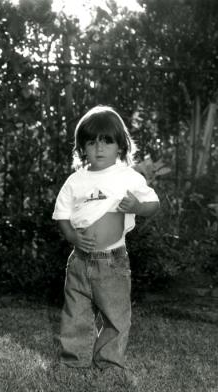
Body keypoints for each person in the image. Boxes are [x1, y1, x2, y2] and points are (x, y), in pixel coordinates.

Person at [52, 105, 159, 369]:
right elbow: (62, 216)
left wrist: (136, 206)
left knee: (116, 316)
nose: (99, 148)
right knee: (75, 314)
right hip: (78, 262)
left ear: (120, 147)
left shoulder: (128, 177)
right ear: (82, 149)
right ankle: (74, 362)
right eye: (92, 142)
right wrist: (73, 238)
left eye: (107, 141)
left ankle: (109, 363)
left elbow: (153, 204)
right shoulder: (75, 181)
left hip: (113, 263)